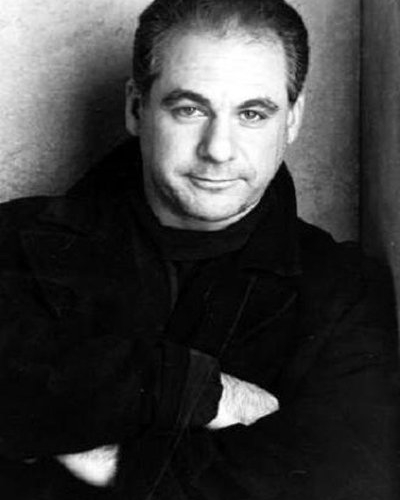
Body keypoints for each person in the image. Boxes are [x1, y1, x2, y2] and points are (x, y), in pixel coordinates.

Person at [0, 0, 398, 498]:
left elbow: (343, 481)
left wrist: (117, 465)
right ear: (136, 108)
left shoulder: (345, 293)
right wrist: (190, 389)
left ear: (293, 120)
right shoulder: (12, 240)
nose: (218, 149)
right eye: (190, 109)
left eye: (252, 114)